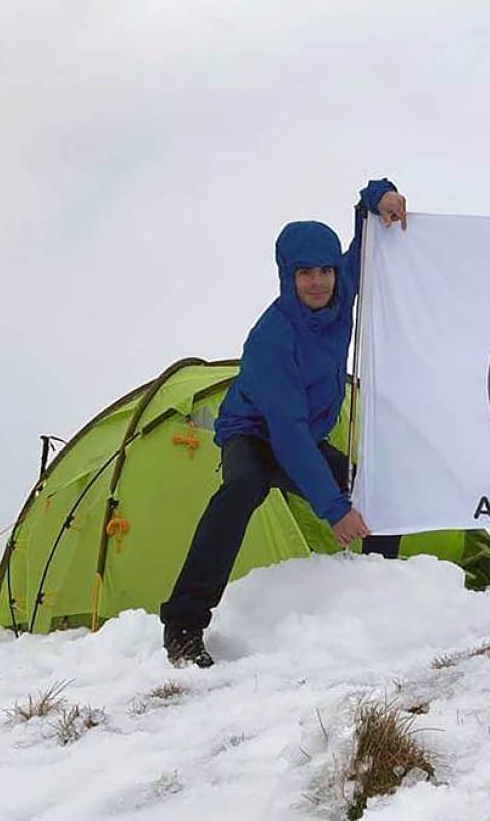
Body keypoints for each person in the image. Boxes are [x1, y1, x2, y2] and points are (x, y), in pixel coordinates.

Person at [160, 179, 408, 667]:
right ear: (286, 276)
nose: (317, 282)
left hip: (303, 436)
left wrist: (380, 196)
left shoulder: (343, 294)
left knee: (377, 493)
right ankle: (183, 624)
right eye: (304, 273)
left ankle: (377, 602)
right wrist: (333, 509)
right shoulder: (272, 337)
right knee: (242, 489)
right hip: (253, 434)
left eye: (324, 270)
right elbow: (288, 433)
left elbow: (365, 226)